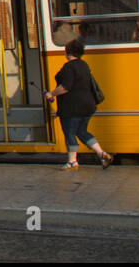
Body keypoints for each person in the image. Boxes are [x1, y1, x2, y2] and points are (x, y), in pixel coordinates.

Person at [44, 38, 112, 170]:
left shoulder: (69, 67)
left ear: (68, 52)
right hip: (88, 106)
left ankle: (72, 161)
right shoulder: (84, 65)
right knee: (82, 132)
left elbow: (65, 87)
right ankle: (102, 154)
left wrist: (51, 94)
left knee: (70, 132)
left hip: (72, 107)